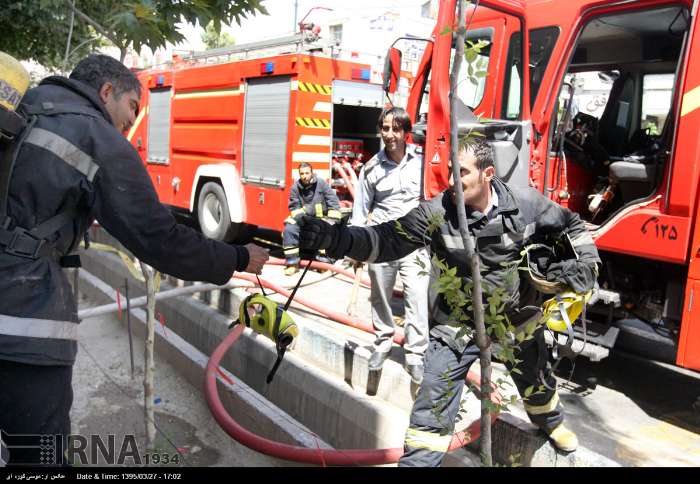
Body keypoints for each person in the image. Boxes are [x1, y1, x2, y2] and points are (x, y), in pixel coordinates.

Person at [0, 54, 269, 466]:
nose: (133, 122)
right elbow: (160, 239)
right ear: (106, 91)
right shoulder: (95, 135)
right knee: (37, 460)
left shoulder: (25, 106)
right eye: (132, 107)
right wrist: (237, 257)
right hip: (23, 324)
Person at [299, 138, 600, 466]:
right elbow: (388, 240)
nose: (454, 181)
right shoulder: (437, 212)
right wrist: (337, 239)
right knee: (431, 411)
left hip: (517, 321)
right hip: (457, 327)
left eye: (463, 173)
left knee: (537, 382)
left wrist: (587, 263)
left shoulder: (525, 203)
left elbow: (571, 225)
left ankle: (550, 422)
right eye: (451, 172)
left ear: (487, 174)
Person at [350, 107, 429, 384]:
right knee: (380, 296)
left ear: (406, 133)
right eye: (385, 129)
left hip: (414, 243)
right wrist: (356, 246)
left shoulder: (422, 162)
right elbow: (360, 211)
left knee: (417, 296)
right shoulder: (371, 169)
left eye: (396, 129)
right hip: (382, 242)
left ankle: (416, 355)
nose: (390, 134)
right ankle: (382, 343)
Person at [282, 162, 341, 275]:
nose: (304, 176)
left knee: (325, 230)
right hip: (303, 218)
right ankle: (292, 263)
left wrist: (332, 221)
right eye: (302, 173)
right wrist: (304, 217)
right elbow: (294, 208)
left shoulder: (321, 184)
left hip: (321, 218)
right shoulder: (295, 188)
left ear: (312, 173)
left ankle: (322, 263)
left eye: (307, 173)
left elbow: (333, 202)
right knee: (289, 230)